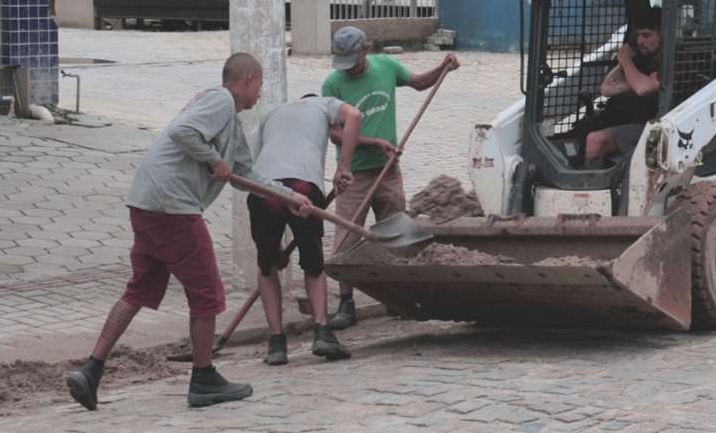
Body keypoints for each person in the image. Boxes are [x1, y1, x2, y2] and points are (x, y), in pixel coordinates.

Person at [65, 53, 313, 410]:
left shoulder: (231, 123)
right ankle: (203, 377)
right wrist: (213, 160)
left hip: (147, 202)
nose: (260, 94)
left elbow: (247, 174)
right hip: (172, 205)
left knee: (138, 291)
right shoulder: (219, 100)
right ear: (247, 80)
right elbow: (182, 132)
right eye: (259, 85)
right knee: (207, 293)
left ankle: (91, 370)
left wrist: (289, 196)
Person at [321, 26, 459, 329]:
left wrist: (443, 66)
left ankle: (396, 296)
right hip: (353, 173)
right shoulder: (332, 84)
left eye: (353, 61)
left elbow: (420, 83)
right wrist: (374, 142)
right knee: (347, 236)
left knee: (396, 229)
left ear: (366, 49)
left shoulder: (386, 66)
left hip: (387, 171)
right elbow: (334, 133)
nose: (350, 69)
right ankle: (346, 302)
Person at [247, 93, 363, 365]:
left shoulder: (272, 113)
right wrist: (343, 167)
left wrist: (276, 250)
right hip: (303, 188)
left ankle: (276, 344)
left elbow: (258, 163)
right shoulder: (325, 104)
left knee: (267, 266)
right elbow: (355, 116)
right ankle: (322, 332)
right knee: (313, 266)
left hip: (264, 190)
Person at [584, 8, 663, 168]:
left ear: (662, 35)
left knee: (595, 140)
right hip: (636, 122)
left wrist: (625, 59)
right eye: (638, 36)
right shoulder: (643, 61)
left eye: (647, 35)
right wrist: (627, 69)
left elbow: (643, 88)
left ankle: (593, 188)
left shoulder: (670, 60)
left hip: (661, 129)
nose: (640, 41)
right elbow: (607, 88)